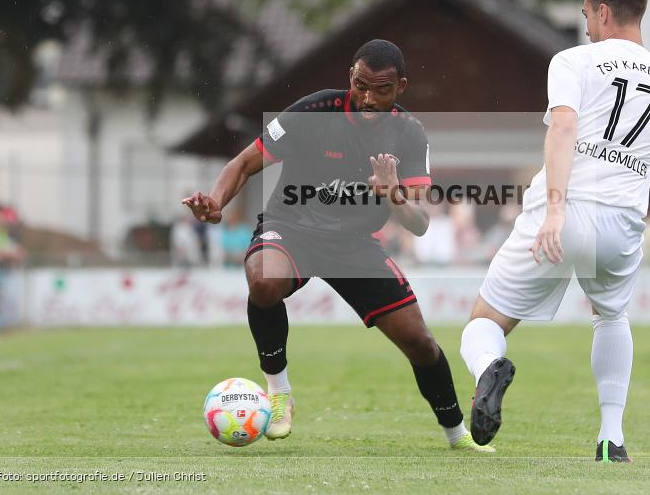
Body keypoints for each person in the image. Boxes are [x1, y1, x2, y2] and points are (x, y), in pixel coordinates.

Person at [182, 39, 492, 452]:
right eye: (360, 85)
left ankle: (458, 436)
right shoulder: (313, 112)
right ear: (350, 77)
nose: (368, 98)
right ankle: (279, 392)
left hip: (354, 245)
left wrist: (393, 193)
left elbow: (419, 223)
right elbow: (243, 164)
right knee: (263, 280)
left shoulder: (409, 133)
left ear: (400, 86)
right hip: (291, 228)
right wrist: (217, 203)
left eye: (381, 90)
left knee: (418, 340)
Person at [458, 0, 650, 462]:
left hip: (563, 214)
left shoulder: (573, 60)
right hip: (623, 223)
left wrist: (555, 209)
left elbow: (563, 128)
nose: (586, 24)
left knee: (485, 322)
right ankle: (612, 439)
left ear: (603, 12)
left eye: (587, 13)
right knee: (611, 316)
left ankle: (488, 370)